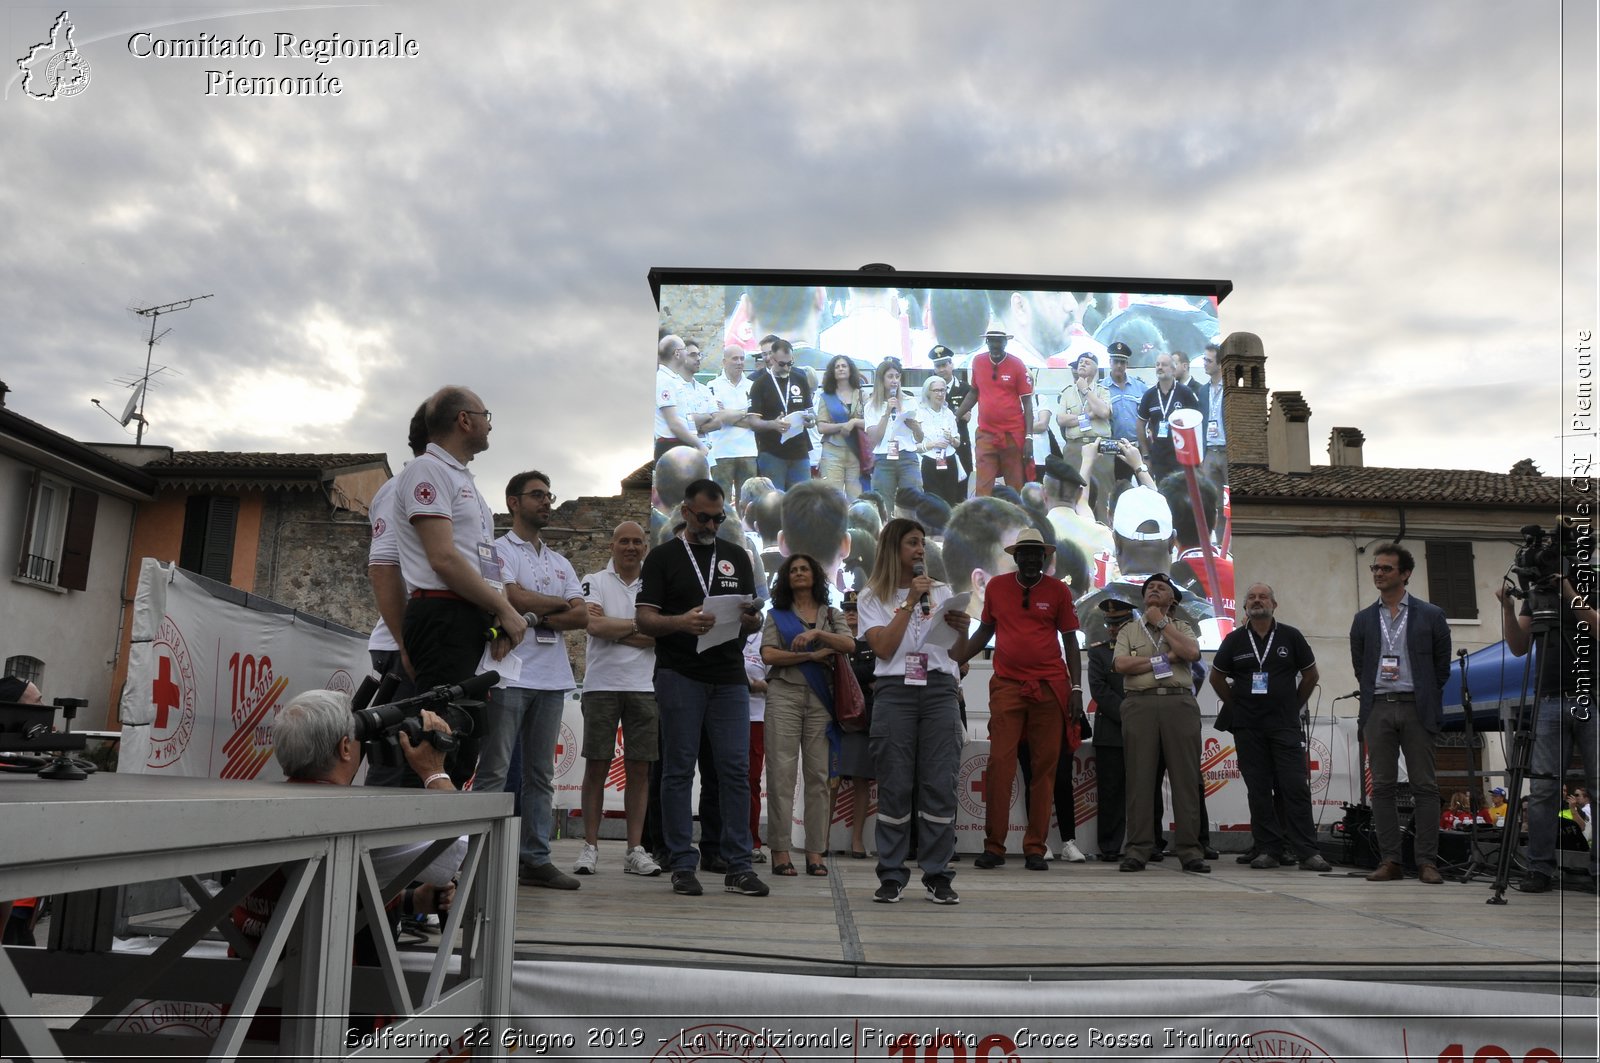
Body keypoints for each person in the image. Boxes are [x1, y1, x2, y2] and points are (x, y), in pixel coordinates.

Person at [236, 690, 461, 972]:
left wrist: (409, 900)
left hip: (249, 997)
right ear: (345, 748)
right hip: (326, 1000)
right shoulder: (356, 822)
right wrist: (434, 770)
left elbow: (313, 894)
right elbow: (452, 851)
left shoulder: (253, 809)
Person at [636, 479, 769, 898]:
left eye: (719, 518)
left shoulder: (737, 557)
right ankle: (680, 862)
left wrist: (753, 622)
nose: (713, 524)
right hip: (679, 674)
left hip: (729, 675)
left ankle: (738, 864)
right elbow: (644, 619)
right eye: (705, 517)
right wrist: (680, 622)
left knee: (734, 771)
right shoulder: (661, 558)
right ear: (685, 513)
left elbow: (753, 616)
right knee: (678, 769)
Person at [394, 386, 526, 786]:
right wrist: (505, 608)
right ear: (464, 420)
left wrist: (497, 615)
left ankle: (444, 844)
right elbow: (444, 558)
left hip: (467, 617)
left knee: (463, 744)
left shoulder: (462, 479)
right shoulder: (427, 471)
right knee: (437, 739)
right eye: (485, 414)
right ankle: (411, 845)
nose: (490, 424)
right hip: (442, 615)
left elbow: (480, 561)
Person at [477, 471, 587, 890]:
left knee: (541, 774)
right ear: (513, 502)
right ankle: (483, 855)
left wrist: (537, 613)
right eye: (536, 495)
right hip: (508, 675)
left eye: (549, 494)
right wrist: (558, 603)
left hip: (552, 677)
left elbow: (582, 616)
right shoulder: (497, 549)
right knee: (495, 769)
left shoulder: (560, 561)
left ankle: (535, 858)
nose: (546, 501)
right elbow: (509, 595)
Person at [955, 528, 1082, 871]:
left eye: (1035, 553)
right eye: (1023, 553)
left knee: (1044, 769)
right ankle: (994, 847)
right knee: (1000, 764)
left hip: (1050, 687)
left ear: (1045, 557)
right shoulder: (996, 587)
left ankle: (1035, 848)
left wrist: (1076, 689)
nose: (1029, 558)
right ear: (1015, 557)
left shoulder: (1058, 590)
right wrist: (953, 660)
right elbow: (984, 632)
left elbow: (1070, 640)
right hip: (1008, 686)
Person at [857, 518, 970, 904]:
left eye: (922, 543)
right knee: (895, 786)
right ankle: (891, 873)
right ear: (893, 548)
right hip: (894, 693)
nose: (920, 550)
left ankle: (938, 873)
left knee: (939, 784)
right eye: (912, 543)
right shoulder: (872, 596)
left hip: (939, 691)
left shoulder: (941, 591)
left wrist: (963, 628)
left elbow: (957, 655)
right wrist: (908, 603)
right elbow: (885, 648)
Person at [1208, 583, 1332, 872]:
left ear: (1274, 605)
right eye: (1251, 597)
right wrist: (1236, 707)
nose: (1257, 600)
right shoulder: (1235, 640)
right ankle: (1268, 849)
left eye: (1263, 596)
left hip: (1284, 725)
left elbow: (1311, 675)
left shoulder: (1291, 636)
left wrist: (1293, 706)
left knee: (1294, 787)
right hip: (1248, 727)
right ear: (1245, 607)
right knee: (1259, 789)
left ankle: (1307, 851)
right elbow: (1216, 678)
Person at [1351, 542, 1451, 885]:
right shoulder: (1363, 619)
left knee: (1425, 786)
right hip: (1378, 706)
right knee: (1382, 787)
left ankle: (1426, 862)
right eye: (1375, 568)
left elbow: (1441, 669)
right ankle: (1390, 860)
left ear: (1405, 574)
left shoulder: (1431, 615)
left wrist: (1422, 695)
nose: (1378, 573)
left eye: (1386, 569)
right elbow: (1360, 666)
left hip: (1416, 706)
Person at [1496, 568, 1597, 892]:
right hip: (1549, 698)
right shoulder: (1537, 594)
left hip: (1591, 697)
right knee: (1542, 791)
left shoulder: (1591, 585)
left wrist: (1568, 590)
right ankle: (1539, 869)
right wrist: (1508, 609)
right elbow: (1518, 646)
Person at [574, 521, 662, 878]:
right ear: (611, 544)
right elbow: (592, 627)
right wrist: (641, 627)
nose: (630, 547)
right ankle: (590, 846)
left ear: (645, 546)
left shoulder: (655, 584)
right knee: (596, 765)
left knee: (640, 769)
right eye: (623, 540)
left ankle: (634, 850)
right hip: (601, 685)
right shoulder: (594, 580)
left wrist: (617, 627)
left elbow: (662, 635)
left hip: (645, 686)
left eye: (637, 541)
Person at [760, 554, 855, 877]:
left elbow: (849, 644)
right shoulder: (777, 615)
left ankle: (816, 852)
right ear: (786, 578)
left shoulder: (831, 614)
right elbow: (768, 654)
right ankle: (780, 852)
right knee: (781, 776)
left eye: (804, 568)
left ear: (815, 575)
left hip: (821, 698)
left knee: (818, 778)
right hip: (784, 693)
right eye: (793, 570)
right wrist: (811, 656)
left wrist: (818, 635)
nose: (799, 573)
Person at [1113, 572, 1209, 873]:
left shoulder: (1182, 627)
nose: (1154, 590)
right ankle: (1138, 849)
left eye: (1161, 588)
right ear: (1143, 597)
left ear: (1172, 600)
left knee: (1186, 779)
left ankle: (1190, 851)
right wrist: (1166, 658)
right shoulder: (1129, 629)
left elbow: (1191, 653)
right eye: (1150, 587)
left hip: (1178, 702)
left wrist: (1162, 623)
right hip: (1139, 704)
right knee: (1140, 779)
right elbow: (1121, 665)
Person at [956, 330, 1033, 496]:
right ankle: (983, 520)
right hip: (986, 433)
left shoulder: (1017, 364)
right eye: (991, 341)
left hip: (1012, 434)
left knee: (1014, 486)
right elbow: (974, 392)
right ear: (987, 342)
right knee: (983, 486)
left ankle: (1015, 519)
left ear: (1005, 342)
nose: (995, 345)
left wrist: (1029, 437)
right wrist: (955, 416)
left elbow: (1027, 403)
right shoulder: (977, 361)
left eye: (999, 341)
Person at [1088, 596, 1135, 860]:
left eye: (1120, 623)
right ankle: (1109, 847)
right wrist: (1131, 714)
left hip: (1145, 730)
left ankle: (1148, 843)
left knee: (1145, 791)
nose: (1114, 628)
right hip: (1112, 731)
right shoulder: (1099, 652)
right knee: (1111, 793)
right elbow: (1100, 692)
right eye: (1110, 623)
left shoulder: (1144, 650)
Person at [838, 591, 877, 860]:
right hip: (834, 718)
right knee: (829, 780)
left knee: (862, 779)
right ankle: (821, 839)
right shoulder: (837, 642)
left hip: (861, 720)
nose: (851, 613)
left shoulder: (872, 643)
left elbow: (872, 671)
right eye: (847, 609)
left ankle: (857, 840)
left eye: (856, 609)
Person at [747, 338, 815, 489]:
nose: (786, 368)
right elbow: (752, 421)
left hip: (799, 450)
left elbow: (810, 412)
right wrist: (773, 424)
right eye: (781, 364)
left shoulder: (800, 378)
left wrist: (810, 421)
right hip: (772, 452)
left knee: (803, 499)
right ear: (772, 359)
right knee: (775, 500)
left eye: (789, 363)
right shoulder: (760, 384)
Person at [864, 357, 924, 503]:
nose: (894, 380)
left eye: (897, 376)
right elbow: (873, 440)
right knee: (884, 502)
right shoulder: (871, 406)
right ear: (881, 379)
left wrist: (914, 425)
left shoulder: (910, 401)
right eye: (890, 376)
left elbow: (920, 438)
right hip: (884, 459)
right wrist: (887, 413)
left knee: (913, 501)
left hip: (907, 457)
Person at [1135, 353, 1200, 483]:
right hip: (1159, 456)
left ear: (1173, 369)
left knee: (1182, 494)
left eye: (1164, 365)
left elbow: (1197, 421)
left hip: (1182, 455)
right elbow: (1140, 424)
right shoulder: (1149, 395)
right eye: (1157, 364)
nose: (1160, 367)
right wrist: (1145, 454)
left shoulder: (1185, 392)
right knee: (1163, 493)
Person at [708, 345, 759, 506]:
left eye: (742, 358)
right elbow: (717, 417)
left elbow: (755, 418)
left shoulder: (753, 386)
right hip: (722, 451)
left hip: (748, 451)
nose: (739, 362)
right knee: (720, 500)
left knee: (747, 501)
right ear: (724, 362)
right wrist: (744, 412)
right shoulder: (712, 385)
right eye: (735, 358)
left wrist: (729, 415)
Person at [815, 353, 868, 499]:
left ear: (850, 370)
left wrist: (854, 422)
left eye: (844, 366)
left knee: (857, 498)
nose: (840, 369)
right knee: (832, 497)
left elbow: (870, 423)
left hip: (856, 452)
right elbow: (821, 427)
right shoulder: (826, 396)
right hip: (832, 451)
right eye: (837, 366)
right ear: (832, 372)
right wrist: (844, 425)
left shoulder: (862, 395)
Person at [654, 335, 705, 459]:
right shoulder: (664, 380)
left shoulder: (674, 378)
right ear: (677, 354)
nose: (687, 353)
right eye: (684, 350)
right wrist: (699, 444)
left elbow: (684, 417)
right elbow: (674, 422)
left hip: (681, 444)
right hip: (671, 446)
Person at [917, 375, 965, 509]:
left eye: (943, 390)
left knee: (951, 500)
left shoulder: (949, 413)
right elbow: (914, 446)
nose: (940, 394)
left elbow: (957, 442)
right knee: (933, 502)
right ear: (928, 392)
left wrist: (951, 438)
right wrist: (933, 444)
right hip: (929, 460)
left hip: (949, 459)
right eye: (936, 390)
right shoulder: (920, 413)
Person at [1193, 341, 1228, 486]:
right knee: (1211, 499)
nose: (1205, 363)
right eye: (1204, 359)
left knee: (1232, 498)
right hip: (1210, 451)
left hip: (1227, 451)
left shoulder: (1230, 388)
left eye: (1209, 361)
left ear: (1220, 364)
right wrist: (1201, 455)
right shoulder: (1202, 391)